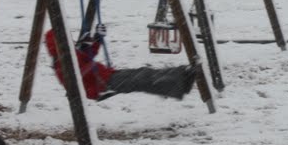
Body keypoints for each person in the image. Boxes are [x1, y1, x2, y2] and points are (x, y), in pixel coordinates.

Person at [44, 27, 198, 102]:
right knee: (143, 77)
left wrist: (96, 40)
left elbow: (87, 57)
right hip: (102, 85)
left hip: (107, 77)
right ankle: (182, 77)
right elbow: (80, 72)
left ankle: (181, 84)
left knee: (143, 78)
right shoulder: (61, 63)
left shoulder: (69, 55)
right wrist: (82, 48)